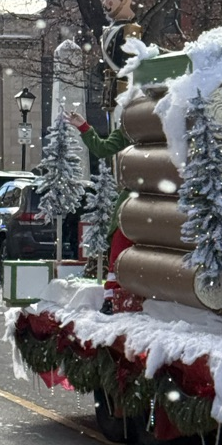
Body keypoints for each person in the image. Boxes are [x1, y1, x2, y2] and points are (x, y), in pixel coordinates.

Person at [66, 110, 132, 313]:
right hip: (132, 201)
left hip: (163, 199)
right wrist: (84, 127)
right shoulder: (127, 130)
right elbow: (103, 149)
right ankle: (112, 298)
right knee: (119, 247)